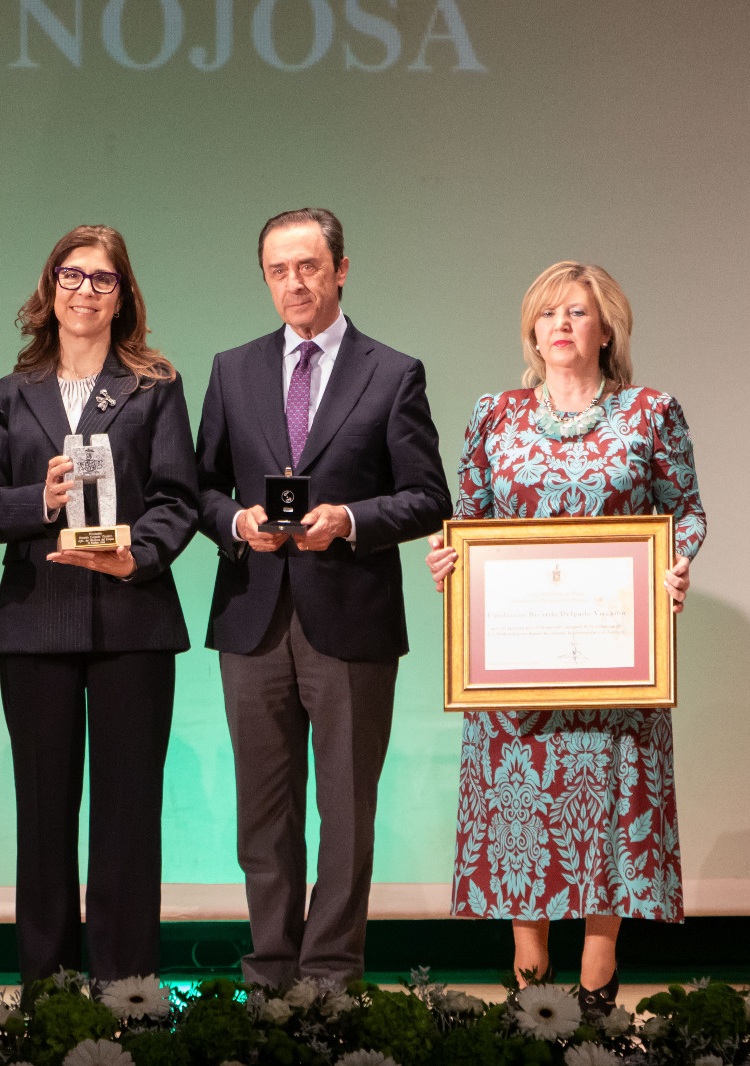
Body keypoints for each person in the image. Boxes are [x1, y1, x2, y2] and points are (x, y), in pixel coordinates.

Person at [425, 261, 704, 1017]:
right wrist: (450, 558)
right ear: (532, 328)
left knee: (608, 805)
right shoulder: (495, 414)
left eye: (576, 312)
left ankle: (599, 979)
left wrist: (676, 564)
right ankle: (529, 981)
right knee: (522, 805)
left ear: (605, 329)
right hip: (516, 663)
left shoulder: (650, 412)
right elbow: (469, 520)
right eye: (547, 313)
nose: (560, 325)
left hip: (617, 660)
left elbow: (686, 514)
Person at [195, 208, 451, 987]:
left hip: (351, 620)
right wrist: (237, 522)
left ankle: (331, 979)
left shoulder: (392, 372)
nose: (294, 282)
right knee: (262, 814)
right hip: (253, 618)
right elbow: (198, 488)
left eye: (308, 266)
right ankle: (270, 974)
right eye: (278, 270)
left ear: (340, 270)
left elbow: (428, 497)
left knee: (345, 813)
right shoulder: (232, 369)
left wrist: (348, 521)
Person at [0, 225, 199, 983]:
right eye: (72, 276)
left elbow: (178, 498)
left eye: (103, 279)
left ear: (122, 295)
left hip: (133, 620)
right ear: (51, 287)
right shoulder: (13, 393)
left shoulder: (154, 386)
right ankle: (48, 993)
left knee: (128, 819)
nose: (85, 291)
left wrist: (138, 553)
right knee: (42, 819)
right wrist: (37, 501)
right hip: (37, 621)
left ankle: (127, 993)